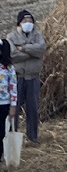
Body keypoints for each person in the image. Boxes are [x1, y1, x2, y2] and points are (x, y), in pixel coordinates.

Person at [7, 9, 46, 143]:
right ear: (19, 23)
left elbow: (41, 50)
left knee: (33, 108)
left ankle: (33, 136)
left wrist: (23, 48)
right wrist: (31, 52)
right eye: (25, 21)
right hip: (17, 78)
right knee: (14, 108)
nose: (28, 23)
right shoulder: (11, 37)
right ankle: (12, 136)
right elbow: (12, 55)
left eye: (30, 21)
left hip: (33, 77)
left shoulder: (38, 35)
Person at [0, 39, 17, 162]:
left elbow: (13, 86)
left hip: (4, 103)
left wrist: (13, 105)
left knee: (1, 130)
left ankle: (1, 154)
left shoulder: (8, 67)